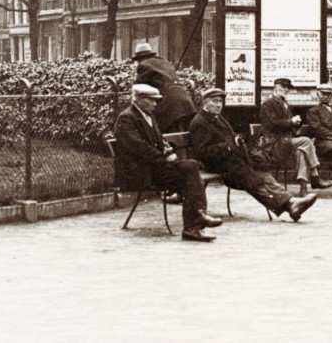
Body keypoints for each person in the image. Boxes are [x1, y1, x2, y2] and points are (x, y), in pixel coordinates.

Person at [112, 83, 224, 242]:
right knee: (191, 179)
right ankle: (196, 223)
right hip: (139, 172)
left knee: (190, 168)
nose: (155, 104)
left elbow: (158, 141)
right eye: (152, 100)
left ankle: (197, 220)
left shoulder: (148, 116)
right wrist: (164, 158)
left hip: (155, 168)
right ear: (139, 100)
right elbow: (138, 147)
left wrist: (168, 150)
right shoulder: (127, 117)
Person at [188, 88, 318, 222]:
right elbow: (201, 152)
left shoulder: (217, 117)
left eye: (220, 101)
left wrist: (235, 141)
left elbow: (228, 138)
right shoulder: (200, 122)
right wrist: (227, 147)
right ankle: (290, 204)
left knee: (260, 170)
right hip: (217, 165)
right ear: (205, 102)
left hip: (230, 161)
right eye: (215, 101)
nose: (219, 105)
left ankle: (291, 203)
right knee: (252, 177)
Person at [259, 77, 332, 196]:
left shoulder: (286, 104)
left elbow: (289, 127)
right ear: (274, 88)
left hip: (286, 142)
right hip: (274, 143)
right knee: (306, 141)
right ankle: (315, 177)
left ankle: (303, 187)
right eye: (283, 87)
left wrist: (296, 124)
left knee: (301, 151)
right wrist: (291, 122)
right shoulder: (268, 104)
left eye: (288, 87)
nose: (286, 89)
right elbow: (271, 124)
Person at [132, 42, 196, 134]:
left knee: (170, 137)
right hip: (186, 103)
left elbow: (138, 88)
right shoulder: (165, 62)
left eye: (138, 60)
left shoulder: (144, 65)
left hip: (169, 107)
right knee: (185, 136)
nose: (138, 63)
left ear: (141, 58)